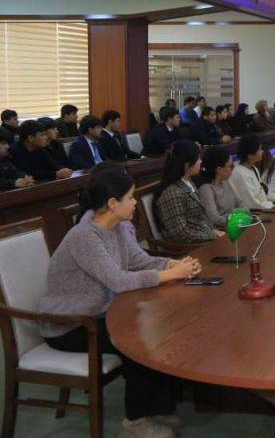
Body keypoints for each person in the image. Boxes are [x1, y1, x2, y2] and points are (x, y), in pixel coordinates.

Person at [38, 170, 200, 438]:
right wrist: (171, 275)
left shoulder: (118, 227)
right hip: (70, 326)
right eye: (130, 197)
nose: (135, 202)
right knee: (137, 343)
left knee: (161, 328)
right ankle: (135, 422)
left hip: (100, 313)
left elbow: (138, 260)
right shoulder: (84, 236)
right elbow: (118, 281)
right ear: (112, 203)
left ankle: (159, 408)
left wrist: (171, 264)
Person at [153, 140, 222, 244]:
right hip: (192, 246)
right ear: (187, 165)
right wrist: (211, 236)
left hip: (205, 237)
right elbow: (180, 234)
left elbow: (201, 217)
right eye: (198, 159)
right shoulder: (173, 193)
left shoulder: (189, 183)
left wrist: (213, 230)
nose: (200, 161)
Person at [196, 146, 242, 228]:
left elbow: (239, 202)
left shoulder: (225, 182)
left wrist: (245, 214)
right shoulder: (206, 189)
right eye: (230, 166)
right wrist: (237, 221)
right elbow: (214, 219)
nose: (232, 169)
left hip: (234, 224)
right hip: (222, 229)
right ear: (219, 169)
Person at [228, 134, 275, 209]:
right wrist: (273, 207)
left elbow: (261, 193)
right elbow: (252, 204)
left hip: (264, 207)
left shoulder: (253, 168)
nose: (262, 151)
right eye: (260, 149)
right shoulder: (240, 173)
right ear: (250, 155)